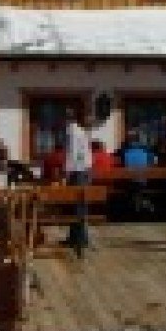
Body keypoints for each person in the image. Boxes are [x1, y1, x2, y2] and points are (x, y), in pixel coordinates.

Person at [62, 108, 92, 255]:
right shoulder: (80, 131)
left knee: (77, 206)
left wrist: (66, 173)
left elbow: (72, 153)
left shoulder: (72, 131)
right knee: (78, 205)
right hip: (84, 170)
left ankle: (80, 239)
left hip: (77, 171)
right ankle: (76, 237)